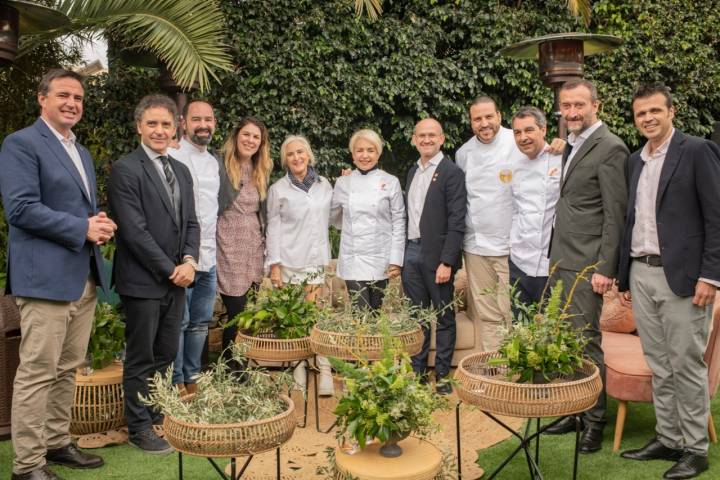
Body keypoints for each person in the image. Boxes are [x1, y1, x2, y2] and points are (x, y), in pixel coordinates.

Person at [0, 68, 114, 480]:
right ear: (41, 98)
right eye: (64, 94)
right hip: (44, 280)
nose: (72, 103)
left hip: (81, 275)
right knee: (37, 372)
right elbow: (21, 209)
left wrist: (94, 221)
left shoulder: (79, 151)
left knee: (68, 368)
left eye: (79, 98)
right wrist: (81, 227)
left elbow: (71, 208)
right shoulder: (22, 144)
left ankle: (56, 443)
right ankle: (28, 466)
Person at [617, 83, 720, 479]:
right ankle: (669, 437)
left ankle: (695, 449)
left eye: (655, 111)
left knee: (685, 363)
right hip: (641, 272)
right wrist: (625, 275)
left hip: (684, 278)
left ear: (671, 111)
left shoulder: (696, 151)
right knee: (659, 363)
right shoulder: (634, 161)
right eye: (641, 113)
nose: (648, 118)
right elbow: (632, 220)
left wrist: (710, 276)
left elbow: (716, 216)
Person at [108, 94, 200, 454]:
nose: (159, 130)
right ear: (139, 127)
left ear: (175, 126)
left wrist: (190, 262)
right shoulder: (126, 169)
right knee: (141, 357)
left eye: (165, 124)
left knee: (166, 355)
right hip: (143, 281)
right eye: (152, 124)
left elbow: (192, 222)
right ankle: (138, 427)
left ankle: (158, 414)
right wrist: (171, 270)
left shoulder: (180, 170)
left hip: (179, 278)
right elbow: (133, 231)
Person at [544, 79, 629, 454]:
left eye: (579, 105)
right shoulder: (574, 144)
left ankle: (594, 421)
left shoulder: (610, 147)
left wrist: (605, 268)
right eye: (567, 106)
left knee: (586, 341)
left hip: (587, 264)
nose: (573, 112)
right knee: (567, 340)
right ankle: (574, 410)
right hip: (563, 259)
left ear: (596, 104)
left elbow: (615, 215)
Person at [402, 118, 466, 395]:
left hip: (437, 256)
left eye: (432, 135)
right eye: (421, 135)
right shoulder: (412, 171)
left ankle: (441, 377)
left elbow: (457, 220)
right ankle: (417, 374)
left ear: (442, 139)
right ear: (414, 139)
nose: (426, 140)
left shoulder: (452, 172)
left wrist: (448, 261)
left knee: (443, 317)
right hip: (411, 252)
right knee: (416, 317)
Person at [266, 135, 334, 395]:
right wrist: (274, 265)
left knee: (315, 318)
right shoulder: (278, 189)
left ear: (309, 155)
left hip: (315, 262)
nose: (296, 157)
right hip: (288, 264)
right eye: (291, 154)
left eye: (300, 152)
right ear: (285, 159)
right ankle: (298, 367)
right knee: (294, 321)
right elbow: (272, 228)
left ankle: (324, 368)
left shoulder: (325, 185)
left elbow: (335, 216)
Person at [167, 100, 220, 395]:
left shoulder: (213, 162)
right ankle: (175, 382)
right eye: (197, 119)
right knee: (179, 322)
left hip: (209, 257)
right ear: (183, 123)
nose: (204, 124)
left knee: (200, 324)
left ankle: (193, 378)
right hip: (181, 255)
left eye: (208, 119)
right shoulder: (173, 154)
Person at [455, 96, 514, 351]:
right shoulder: (463, 153)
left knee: (511, 310)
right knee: (487, 313)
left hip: (511, 245)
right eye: (477, 119)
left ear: (499, 116)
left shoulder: (517, 141)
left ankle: (517, 369)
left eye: (489, 116)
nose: (484, 123)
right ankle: (496, 372)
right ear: (471, 123)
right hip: (476, 245)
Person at [215, 117, 272, 367]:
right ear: (236, 136)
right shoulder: (220, 164)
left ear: (261, 143)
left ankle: (239, 364)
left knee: (249, 313)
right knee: (237, 312)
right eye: (246, 135)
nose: (250, 140)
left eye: (256, 137)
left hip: (253, 247)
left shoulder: (260, 170)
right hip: (228, 244)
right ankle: (231, 367)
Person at [331, 129, 405, 310]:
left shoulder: (391, 181)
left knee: (375, 312)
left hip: (381, 258)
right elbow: (334, 218)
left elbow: (399, 222)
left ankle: (373, 340)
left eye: (370, 150)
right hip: (353, 258)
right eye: (360, 150)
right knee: (361, 313)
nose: (365, 155)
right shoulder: (343, 183)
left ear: (378, 153)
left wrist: (396, 260)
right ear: (353, 154)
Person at [508, 107, 561, 312]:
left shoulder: (562, 157)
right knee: (520, 328)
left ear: (544, 129)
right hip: (519, 263)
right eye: (517, 132)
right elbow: (515, 209)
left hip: (551, 264)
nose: (523, 137)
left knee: (554, 333)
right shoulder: (513, 165)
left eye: (529, 130)